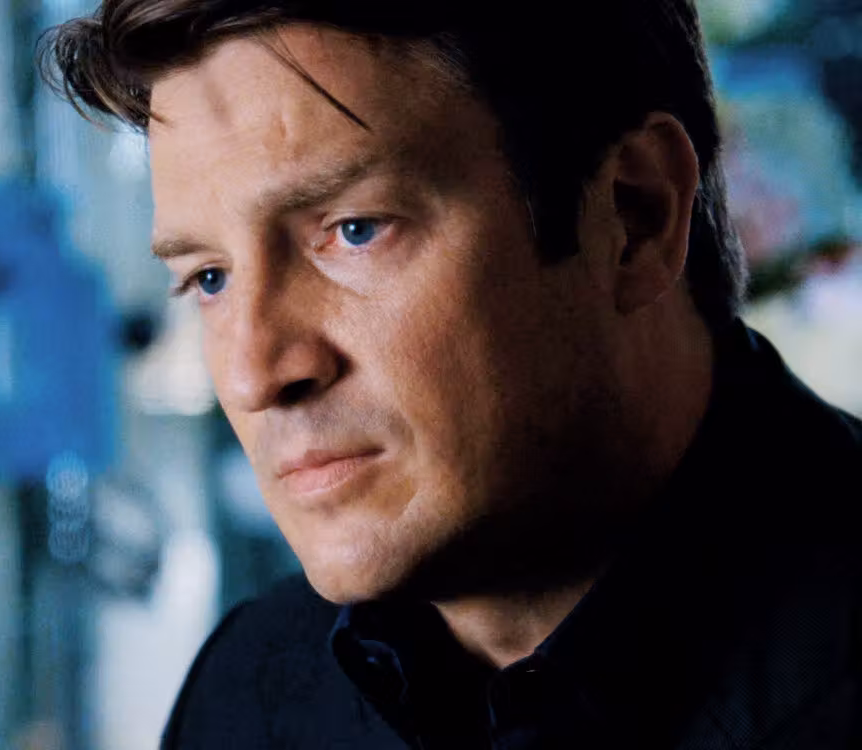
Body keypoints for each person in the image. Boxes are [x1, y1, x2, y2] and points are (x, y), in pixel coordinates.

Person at [42, 1, 862, 747]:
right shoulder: (246, 703)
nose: (256, 374)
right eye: (210, 278)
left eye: (355, 230)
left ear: (633, 214)